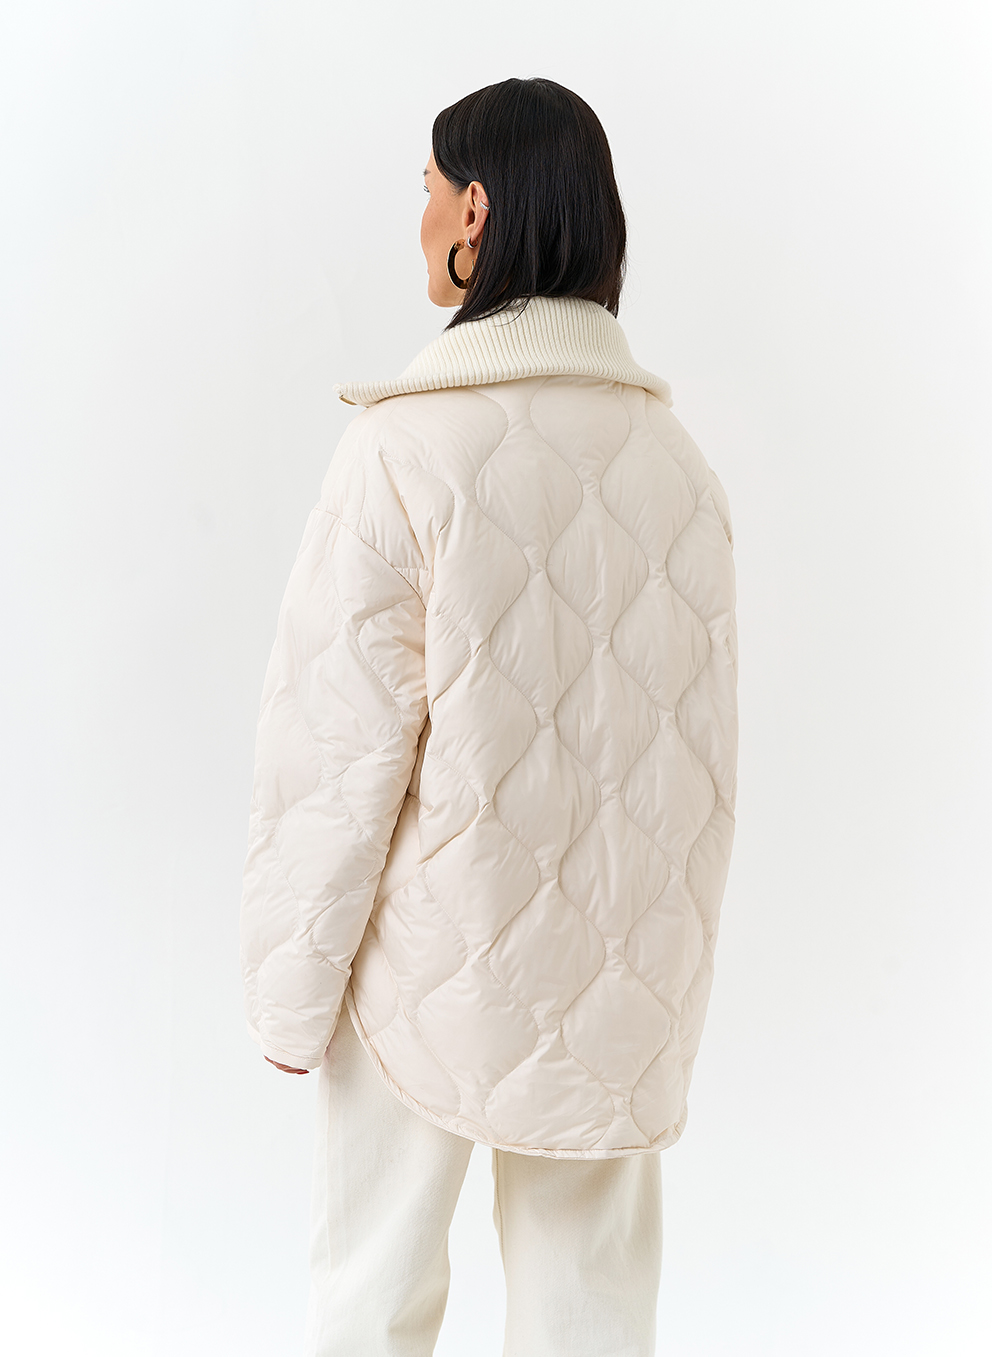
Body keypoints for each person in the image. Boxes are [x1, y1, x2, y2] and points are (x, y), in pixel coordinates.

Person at [240, 76, 738, 1357]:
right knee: (593, 1311)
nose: (416, 218)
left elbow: (333, 752)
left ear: (474, 213)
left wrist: (290, 992)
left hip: (430, 965)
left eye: (424, 190)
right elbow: (696, 760)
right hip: (622, 971)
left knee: (374, 1292)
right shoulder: (677, 466)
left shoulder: (404, 451)